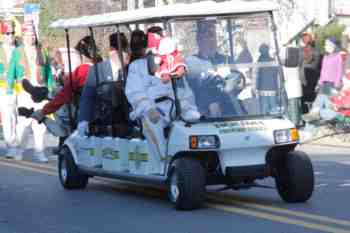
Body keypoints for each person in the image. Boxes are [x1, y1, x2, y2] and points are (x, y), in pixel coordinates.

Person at [29, 36, 97, 138]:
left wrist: (44, 111)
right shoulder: (101, 67)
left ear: (81, 54)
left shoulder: (81, 71)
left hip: (83, 113)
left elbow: (64, 95)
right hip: (101, 111)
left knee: (61, 105)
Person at [78, 32, 130, 138]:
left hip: (128, 124)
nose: (128, 54)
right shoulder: (97, 70)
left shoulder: (130, 70)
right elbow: (87, 98)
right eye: (123, 50)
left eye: (127, 50)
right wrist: (83, 120)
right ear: (112, 51)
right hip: (104, 124)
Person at [14, 21, 51, 162]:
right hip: (24, 90)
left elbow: (47, 71)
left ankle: (39, 151)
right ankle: (19, 150)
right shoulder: (17, 52)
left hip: (40, 90)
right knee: (24, 122)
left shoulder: (43, 51)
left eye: (33, 34)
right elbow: (12, 70)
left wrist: (50, 87)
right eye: (28, 35)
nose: (31, 37)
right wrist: (10, 88)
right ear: (23, 36)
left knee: (40, 121)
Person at [185, 20, 235, 117]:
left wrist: (233, 83)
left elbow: (237, 79)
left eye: (213, 35)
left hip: (228, 109)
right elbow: (192, 87)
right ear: (199, 39)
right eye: (207, 34)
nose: (211, 39)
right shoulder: (190, 62)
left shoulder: (226, 59)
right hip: (201, 112)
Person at [0, 18, 19, 158]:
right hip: (4, 88)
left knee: (20, 118)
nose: (10, 36)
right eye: (7, 33)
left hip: (22, 88)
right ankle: (10, 145)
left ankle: (17, 145)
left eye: (12, 33)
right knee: (8, 117)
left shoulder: (20, 48)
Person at [299, 33, 321, 114]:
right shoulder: (301, 50)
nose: (306, 40)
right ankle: (306, 115)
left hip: (311, 77)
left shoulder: (316, 50)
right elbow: (299, 63)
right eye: (304, 39)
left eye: (307, 38)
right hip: (304, 78)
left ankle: (312, 114)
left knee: (311, 98)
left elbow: (316, 62)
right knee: (304, 99)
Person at [256, 43, 279, 114]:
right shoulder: (273, 61)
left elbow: (255, 76)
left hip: (262, 89)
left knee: (264, 111)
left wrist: (254, 88)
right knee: (274, 110)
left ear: (260, 52)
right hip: (272, 88)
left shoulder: (259, 62)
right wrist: (278, 87)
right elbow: (277, 76)